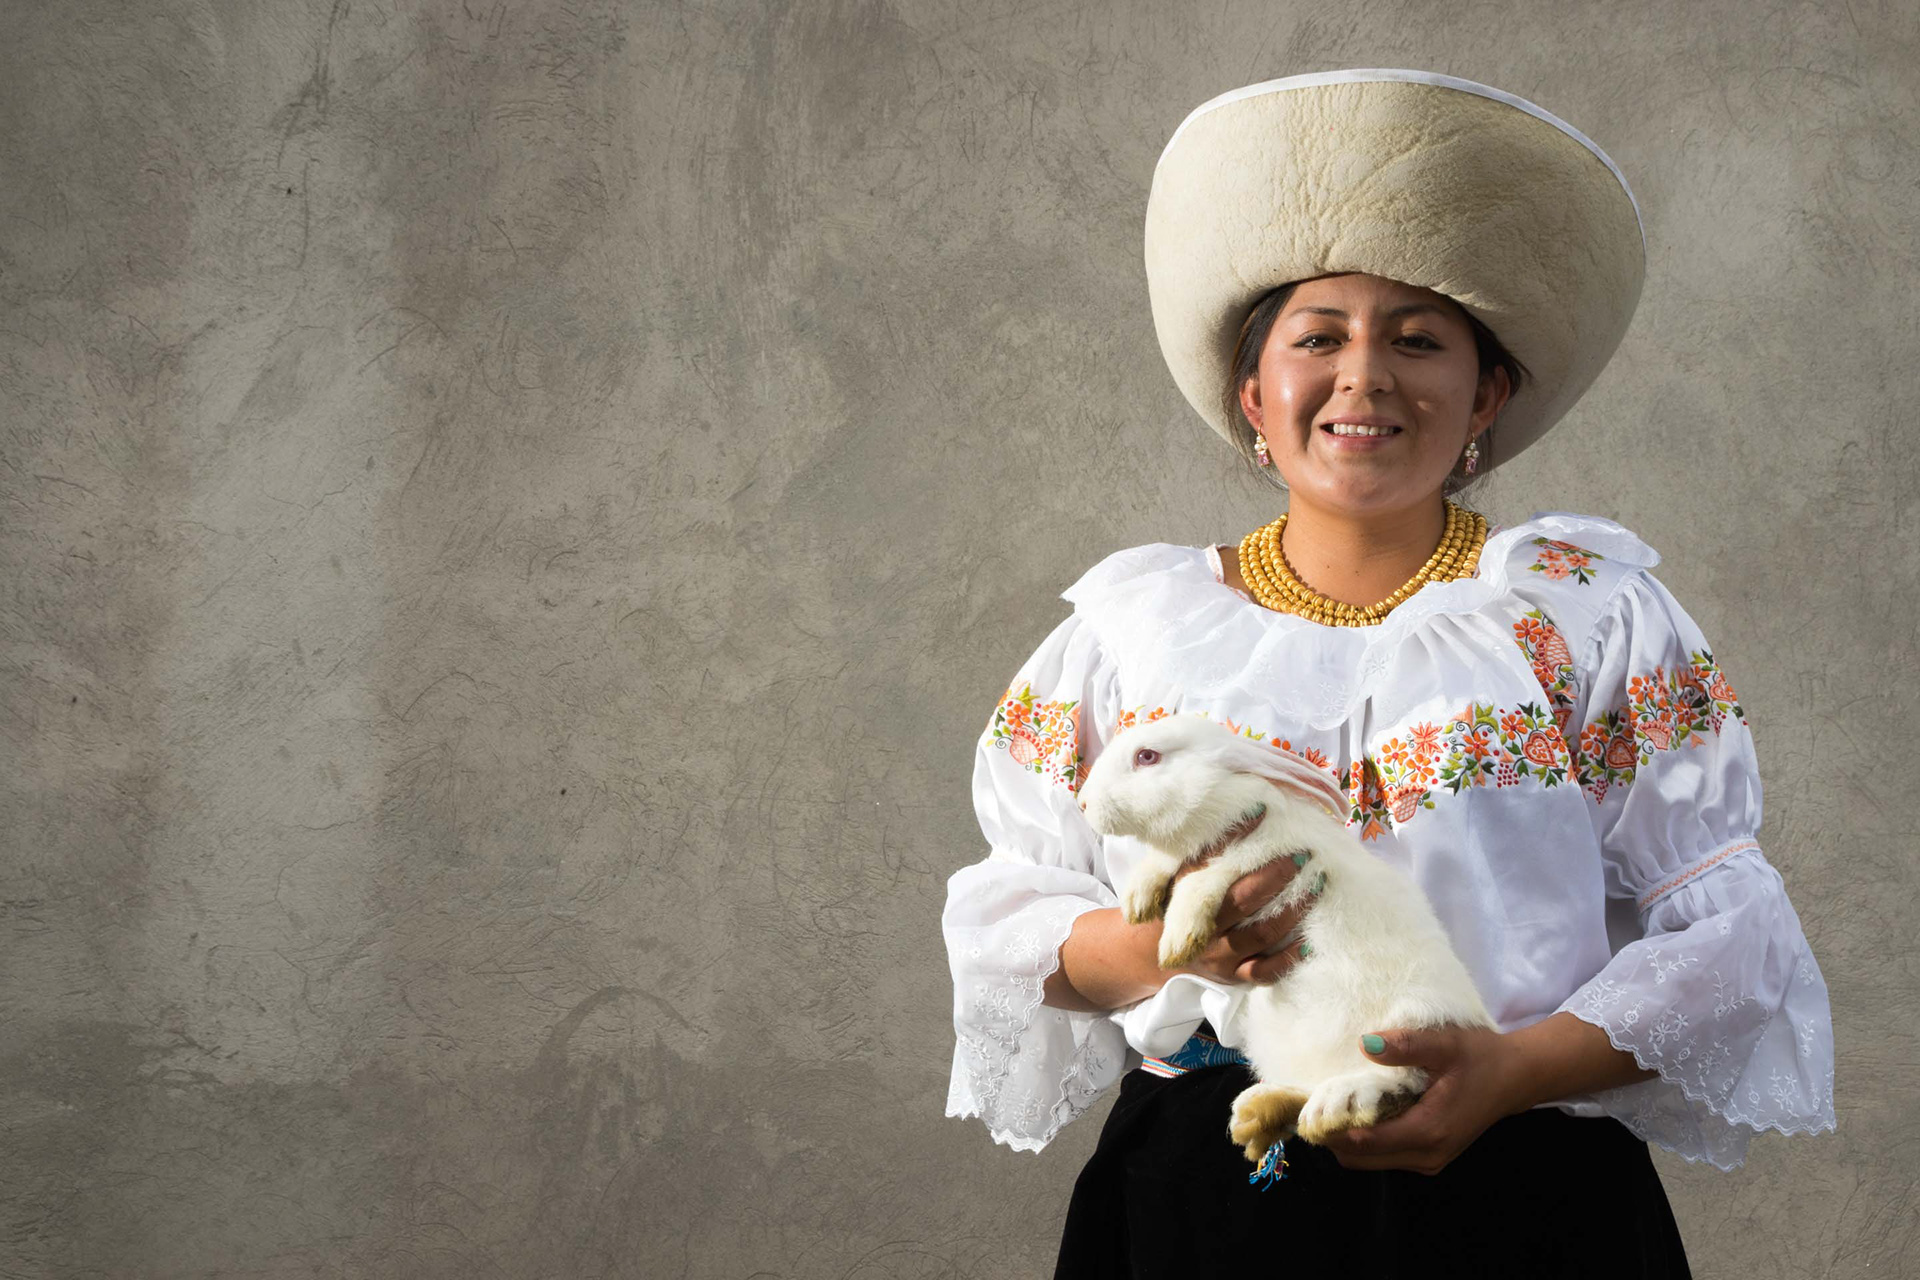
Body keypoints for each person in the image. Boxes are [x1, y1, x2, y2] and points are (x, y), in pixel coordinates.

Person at [942, 71, 1836, 1277]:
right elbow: (1015, 919)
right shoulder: (1133, 634)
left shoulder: (1586, 616)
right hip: (1208, 1191)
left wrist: (1510, 1070)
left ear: (1487, 395)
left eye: (1418, 340)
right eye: (1319, 337)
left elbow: (1732, 934)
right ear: (1254, 395)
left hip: (1525, 1187)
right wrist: (1179, 946)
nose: (1364, 374)